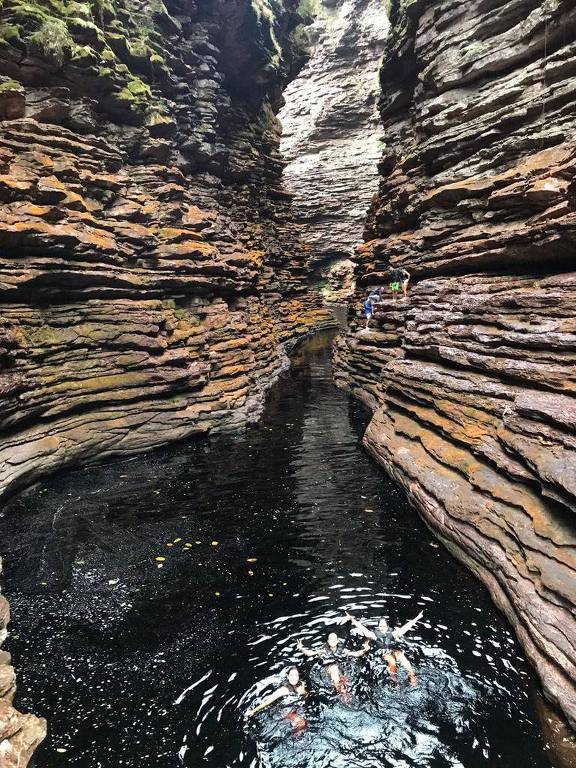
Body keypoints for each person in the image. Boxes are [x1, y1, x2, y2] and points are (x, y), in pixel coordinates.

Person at [344, 610, 423, 686]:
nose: (382, 628)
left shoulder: (392, 634)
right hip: (381, 656)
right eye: (380, 626)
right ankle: (394, 681)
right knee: (391, 659)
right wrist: (352, 619)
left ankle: (411, 676)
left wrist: (417, 618)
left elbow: (404, 628)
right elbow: (362, 628)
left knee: (401, 654)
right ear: (378, 627)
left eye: (384, 626)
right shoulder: (373, 636)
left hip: (391, 652)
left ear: (387, 626)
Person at [297, 632, 369, 702]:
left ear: (337, 641)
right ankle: (340, 692)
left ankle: (345, 692)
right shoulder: (323, 651)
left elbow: (356, 654)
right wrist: (301, 648)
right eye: (330, 639)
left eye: (334, 639)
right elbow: (310, 653)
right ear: (328, 641)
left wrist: (365, 649)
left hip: (338, 668)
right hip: (327, 669)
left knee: (342, 676)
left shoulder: (343, 651)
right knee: (334, 669)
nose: (332, 641)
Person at [245, 666, 308, 731]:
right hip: (284, 710)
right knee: (302, 723)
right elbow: (268, 702)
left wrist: (305, 699)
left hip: (296, 707)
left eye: (296, 675)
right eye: (291, 675)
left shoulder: (301, 685)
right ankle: (295, 737)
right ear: (287, 676)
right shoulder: (283, 690)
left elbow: (306, 694)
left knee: (306, 723)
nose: (294, 678)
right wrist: (253, 711)